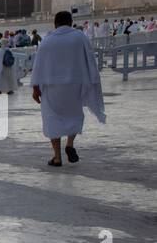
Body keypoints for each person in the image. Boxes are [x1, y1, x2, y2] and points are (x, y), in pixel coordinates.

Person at [31, 10, 106, 167]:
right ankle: (70, 144)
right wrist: (92, 80)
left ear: (55, 23)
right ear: (71, 22)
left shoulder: (47, 41)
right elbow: (90, 60)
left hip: (51, 87)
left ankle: (57, 157)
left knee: (52, 119)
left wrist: (35, 88)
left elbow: (38, 65)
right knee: (74, 115)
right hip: (74, 85)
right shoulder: (80, 37)